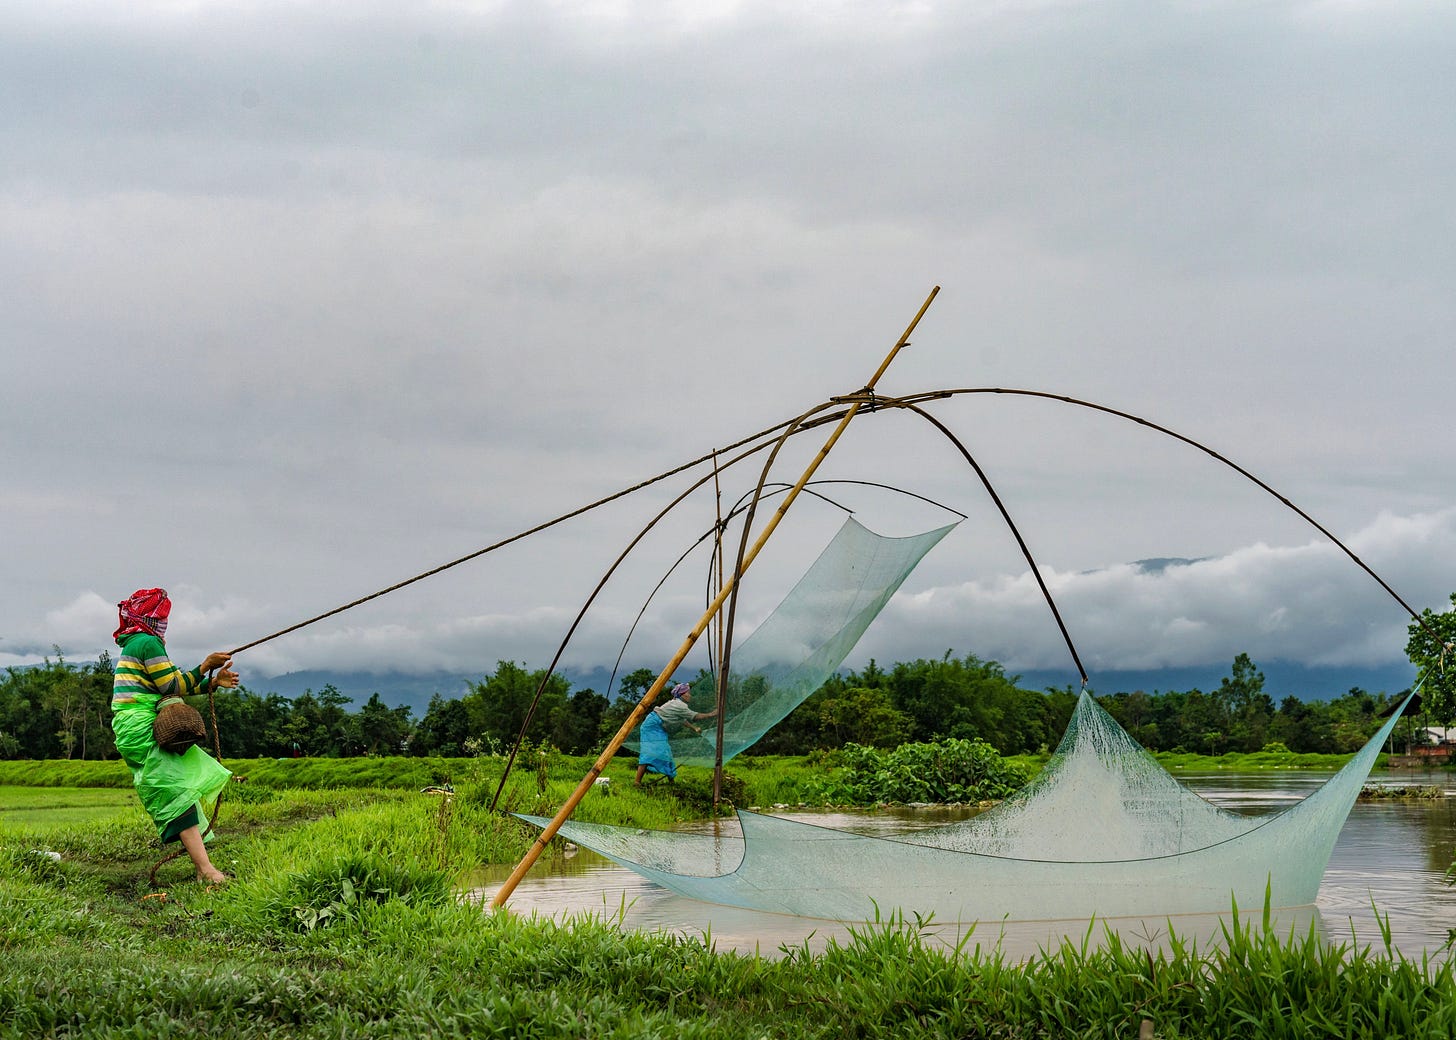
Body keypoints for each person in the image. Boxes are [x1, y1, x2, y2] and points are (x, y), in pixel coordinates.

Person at [109, 588, 238, 884]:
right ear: (153, 618)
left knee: (176, 787)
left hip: (131, 725)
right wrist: (205, 666)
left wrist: (213, 681)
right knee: (175, 791)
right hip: (141, 724)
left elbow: (168, 683)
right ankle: (206, 871)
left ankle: (203, 866)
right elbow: (171, 687)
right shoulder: (148, 642)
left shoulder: (136, 642)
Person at [634, 682, 718, 786]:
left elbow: (682, 720)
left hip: (658, 727)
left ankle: (671, 782)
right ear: (682, 694)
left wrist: (694, 728)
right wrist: (712, 714)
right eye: (688, 693)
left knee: (666, 752)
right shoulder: (679, 705)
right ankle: (637, 782)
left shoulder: (677, 704)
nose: (690, 695)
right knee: (649, 752)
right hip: (651, 726)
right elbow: (695, 716)